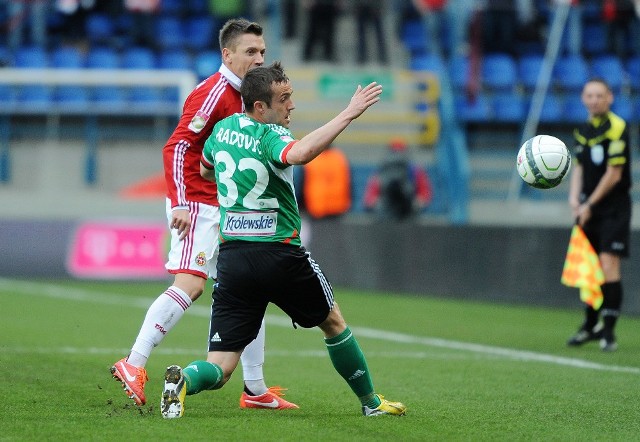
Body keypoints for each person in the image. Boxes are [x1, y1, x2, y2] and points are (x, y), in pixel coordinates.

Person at [159, 62, 406, 418]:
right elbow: (301, 154)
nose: (291, 106)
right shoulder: (270, 135)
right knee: (333, 322)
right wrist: (349, 113)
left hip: (233, 260)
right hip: (280, 254)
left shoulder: (223, 129)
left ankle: (183, 380)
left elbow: (204, 168)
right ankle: (371, 404)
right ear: (260, 107)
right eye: (284, 99)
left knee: (222, 366)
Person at [111, 18, 298, 410]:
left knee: (249, 290)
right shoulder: (213, 93)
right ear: (226, 55)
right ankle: (134, 362)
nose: (258, 58)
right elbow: (178, 148)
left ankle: (255, 389)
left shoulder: (252, 97)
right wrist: (179, 200)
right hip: (197, 203)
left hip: (226, 207)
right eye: (250, 52)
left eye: (262, 52)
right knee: (191, 284)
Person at [566, 78, 632, 352]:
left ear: (610, 98)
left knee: (608, 266)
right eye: (589, 95)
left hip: (612, 208)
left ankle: (608, 331)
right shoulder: (581, 130)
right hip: (586, 209)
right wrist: (574, 198)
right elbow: (580, 168)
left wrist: (589, 204)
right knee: (587, 270)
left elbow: (614, 174)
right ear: (583, 99)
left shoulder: (618, 128)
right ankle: (590, 325)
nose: (594, 100)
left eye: (599, 95)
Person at [363, 139, 433, 221]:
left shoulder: (415, 172)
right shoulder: (380, 173)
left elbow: (424, 195)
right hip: (385, 216)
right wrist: (379, 204)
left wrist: (416, 203)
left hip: (408, 214)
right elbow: (369, 200)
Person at [300, 145, 351, 219]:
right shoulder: (339, 157)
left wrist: (302, 206)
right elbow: (348, 182)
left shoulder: (312, 159)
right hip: (337, 206)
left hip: (317, 205)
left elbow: (303, 183)